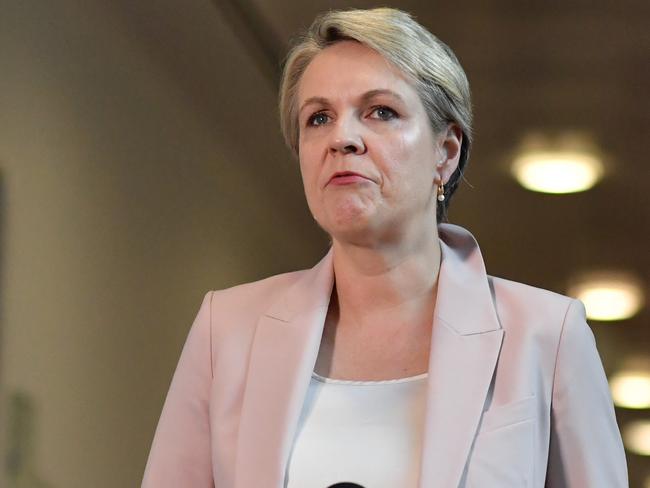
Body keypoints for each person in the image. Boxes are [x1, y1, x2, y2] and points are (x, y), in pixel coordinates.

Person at [141, 7, 628, 488]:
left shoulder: (547, 335)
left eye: (381, 112)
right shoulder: (225, 330)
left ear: (446, 151)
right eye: (318, 118)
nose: (342, 138)